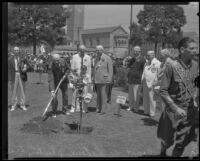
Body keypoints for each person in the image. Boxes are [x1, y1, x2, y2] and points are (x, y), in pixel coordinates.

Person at [157, 37, 199, 157]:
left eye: (196, 48)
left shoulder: (195, 65)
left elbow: (196, 83)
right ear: (182, 49)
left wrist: (196, 97)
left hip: (189, 110)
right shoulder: (171, 66)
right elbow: (163, 91)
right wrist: (175, 108)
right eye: (192, 48)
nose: (195, 51)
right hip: (173, 111)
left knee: (182, 142)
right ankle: (163, 153)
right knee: (167, 141)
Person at [48, 53, 71, 117]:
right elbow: (51, 79)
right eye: (56, 60)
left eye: (58, 60)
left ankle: (65, 110)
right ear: (53, 60)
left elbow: (68, 69)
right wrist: (52, 90)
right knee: (54, 97)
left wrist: (65, 75)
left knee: (66, 95)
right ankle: (54, 111)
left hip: (63, 81)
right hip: (55, 82)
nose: (57, 61)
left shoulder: (63, 61)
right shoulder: (51, 66)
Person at [70, 45, 92, 113]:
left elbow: (89, 69)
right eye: (81, 50)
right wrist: (72, 79)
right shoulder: (74, 57)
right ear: (79, 50)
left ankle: (84, 108)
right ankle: (73, 107)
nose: (82, 52)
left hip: (85, 78)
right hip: (76, 78)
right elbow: (72, 68)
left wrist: (89, 80)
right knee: (75, 93)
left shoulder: (88, 57)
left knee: (84, 94)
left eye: (84, 50)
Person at [141, 50, 161, 118]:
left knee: (152, 99)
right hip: (145, 82)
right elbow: (144, 72)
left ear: (153, 55)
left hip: (153, 83)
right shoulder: (146, 63)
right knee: (145, 98)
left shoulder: (158, 63)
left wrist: (158, 84)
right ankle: (146, 111)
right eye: (147, 55)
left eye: (149, 55)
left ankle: (152, 113)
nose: (147, 56)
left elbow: (159, 74)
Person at [94, 45, 113, 114]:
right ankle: (98, 108)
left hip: (105, 80)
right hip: (97, 80)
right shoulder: (96, 58)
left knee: (104, 95)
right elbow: (95, 69)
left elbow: (110, 70)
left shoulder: (107, 58)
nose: (97, 51)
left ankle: (103, 110)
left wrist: (109, 79)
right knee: (98, 96)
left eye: (99, 50)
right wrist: (94, 79)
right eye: (96, 50)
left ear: (102, 50)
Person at [8, 46, 28, 111]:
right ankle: (13, 105)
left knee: (23, 90)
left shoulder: (23, 58)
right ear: (13, 51)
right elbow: (9, 70)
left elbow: (28, 65)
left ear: (19, 51)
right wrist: (10, 79)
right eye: (15, 50)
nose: (16, 51)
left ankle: (22, 105)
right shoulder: (10, 59)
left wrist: (25, 67)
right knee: (14, 91)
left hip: (21, 75)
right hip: (14, 75)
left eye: (17, 50)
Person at [126, 46, 146, 112]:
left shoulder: (142, 59)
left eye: (136, 51)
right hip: (131, 79)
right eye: (134, 51)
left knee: (136, 95)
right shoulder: (132, 59)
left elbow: (144, 70)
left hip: (137, 80)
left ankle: (136, 108)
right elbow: (128, 67)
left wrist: (142, 79)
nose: (134, 52)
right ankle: (130, 106)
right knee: (130, 95)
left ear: (139, 51)